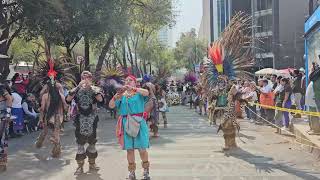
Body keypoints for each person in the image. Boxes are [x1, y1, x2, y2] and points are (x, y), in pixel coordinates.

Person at [109, 75, 151, 180]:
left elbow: (147, 93)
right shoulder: (122, 95)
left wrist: (134, 88)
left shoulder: (139, 92)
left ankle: (146, 171)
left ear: (135, 82)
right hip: (126, 124)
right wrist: (116, 95)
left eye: (130, 80)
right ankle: (132, 172)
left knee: (142, 149)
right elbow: (111, 105)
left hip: (139, 123)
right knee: (130, 150)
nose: (127, 81)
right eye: (126, 80)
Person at [66, 71, 104, 175]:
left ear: (91, 79)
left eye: (88, 77)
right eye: (83, 77)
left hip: (92, 120)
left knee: (92, 143)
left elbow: (100, 100)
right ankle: (80, 166)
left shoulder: (96, 89)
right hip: (80, 119)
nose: (85, 79)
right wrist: (78, 87)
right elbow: (68, 99)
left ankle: (92, 164)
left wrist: (90, 87)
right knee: (80, 143)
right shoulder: (75, 90)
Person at [35, 64, 68, 158]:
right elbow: (65, 103)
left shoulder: (46, 94)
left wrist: (41, 118)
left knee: (48, 131)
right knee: (55, 132)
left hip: (52, 116)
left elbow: (42, 108)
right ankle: (56, 149)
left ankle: (45, 143)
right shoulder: (58, 92)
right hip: (58, 116)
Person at [0, 82, 12, 171]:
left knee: (3, 139)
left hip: (2, 117)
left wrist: (7, 113)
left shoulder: (1, 88)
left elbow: (10, 98)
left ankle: (3, 162)